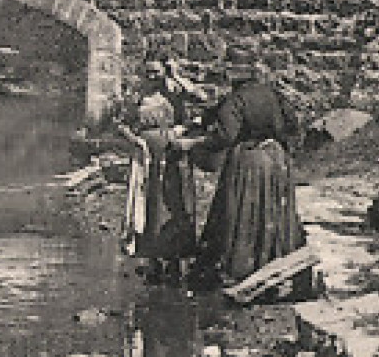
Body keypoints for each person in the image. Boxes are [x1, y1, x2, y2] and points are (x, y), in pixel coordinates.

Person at [176, 65, 306, 289]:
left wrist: (193, 142)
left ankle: (242, 267)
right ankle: (275, 261)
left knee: (242, 211)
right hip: (276, 159)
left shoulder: (236, 100)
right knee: (272, 211)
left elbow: (226, 136)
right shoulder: (274, 94)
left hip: (249, 160)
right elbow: (293, 126)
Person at [115, 60, 199, 282]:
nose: (152, 77)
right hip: (146, 154)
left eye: (157, 72)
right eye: (148, 72)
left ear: (165, 72)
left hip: (172, 151)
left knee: (173, 200)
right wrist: (136, 141)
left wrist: (176, 75)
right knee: (150, 202)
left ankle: (174, 257)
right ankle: (152, 257)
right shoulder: (138, 96)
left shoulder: (175, 93)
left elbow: (199, 100)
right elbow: (121, 124)